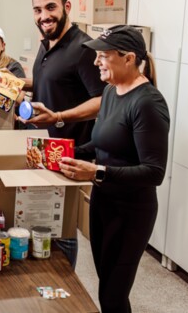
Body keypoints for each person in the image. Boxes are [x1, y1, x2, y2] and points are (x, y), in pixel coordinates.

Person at [58, 25, 170, 312]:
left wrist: (95, 172)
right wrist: (61, 154)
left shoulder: (147, 103)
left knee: (113, 296)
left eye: (103, 56)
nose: (96, 62)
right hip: (103, 203)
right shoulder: (110, 92)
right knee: (105, 284)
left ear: (129, 58)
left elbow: (154, 171)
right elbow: (101, 145)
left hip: (131, 212)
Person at [21, 0, 108, 268]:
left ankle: (63, 291)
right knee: (40, 219)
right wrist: (16, 84)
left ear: (66, 7)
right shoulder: (47, 44)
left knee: (63, 227)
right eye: (37, 10)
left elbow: (101, 101)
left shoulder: (83, 48)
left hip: (69, 152)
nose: (43, 16)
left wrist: (58, 116)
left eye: (50, 7)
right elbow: (51, 82)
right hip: (42, 149)